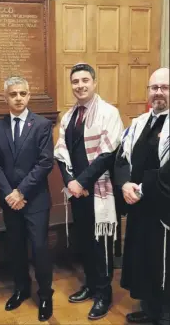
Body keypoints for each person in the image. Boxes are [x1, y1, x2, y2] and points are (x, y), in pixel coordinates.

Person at [54, 63, 123, 320]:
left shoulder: (109, 113)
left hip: (100, 190)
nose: (80, 85)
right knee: (85, 242)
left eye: (85, 80)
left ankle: (104, 294)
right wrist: (71, 181)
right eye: (75, 81)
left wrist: (80, 182)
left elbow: (107, 154)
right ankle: (91, 286)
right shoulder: (70, 115)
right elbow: (60, 152)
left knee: (102, 245)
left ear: (94, 82)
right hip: (78, 192)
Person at [0, 76, 54, 321]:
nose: (18, 98)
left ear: (29, 95)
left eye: (23, 93)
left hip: (35, 201)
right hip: (10, 202)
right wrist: (9, 194)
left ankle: (46, 294)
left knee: (39, 249)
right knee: (15, 248)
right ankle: (21, 289)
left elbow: (45, 162)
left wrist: (21, 192)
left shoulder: (42, 125)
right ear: (6, 97)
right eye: (13, 94)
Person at [114, 67, 170, 325]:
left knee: (164, 264)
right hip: (139, 207)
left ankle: (165, 314)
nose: (158, 92)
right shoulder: (138, 123)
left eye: (165, 88)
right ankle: (150, 308)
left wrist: (143, 187)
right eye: (154, 88)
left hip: (163, 208)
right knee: (143, 258)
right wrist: (125, 183)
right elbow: (121, 158)